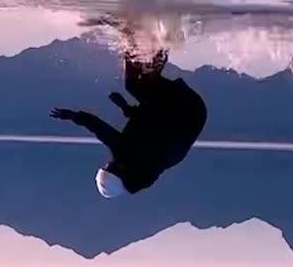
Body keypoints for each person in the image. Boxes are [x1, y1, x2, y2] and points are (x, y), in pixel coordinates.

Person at [50, 50, 208, 198]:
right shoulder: (136, 156)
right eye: (108, 167)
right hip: (185, 109)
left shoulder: (141, 163)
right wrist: (72, 115)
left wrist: (125, 107)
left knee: (139, 84)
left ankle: (143, 44)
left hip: (183, 111)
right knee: (140, 83)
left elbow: (147, 122)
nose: (108, 163)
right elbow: (99, 127)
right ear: (121, 173)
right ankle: (151, 42)